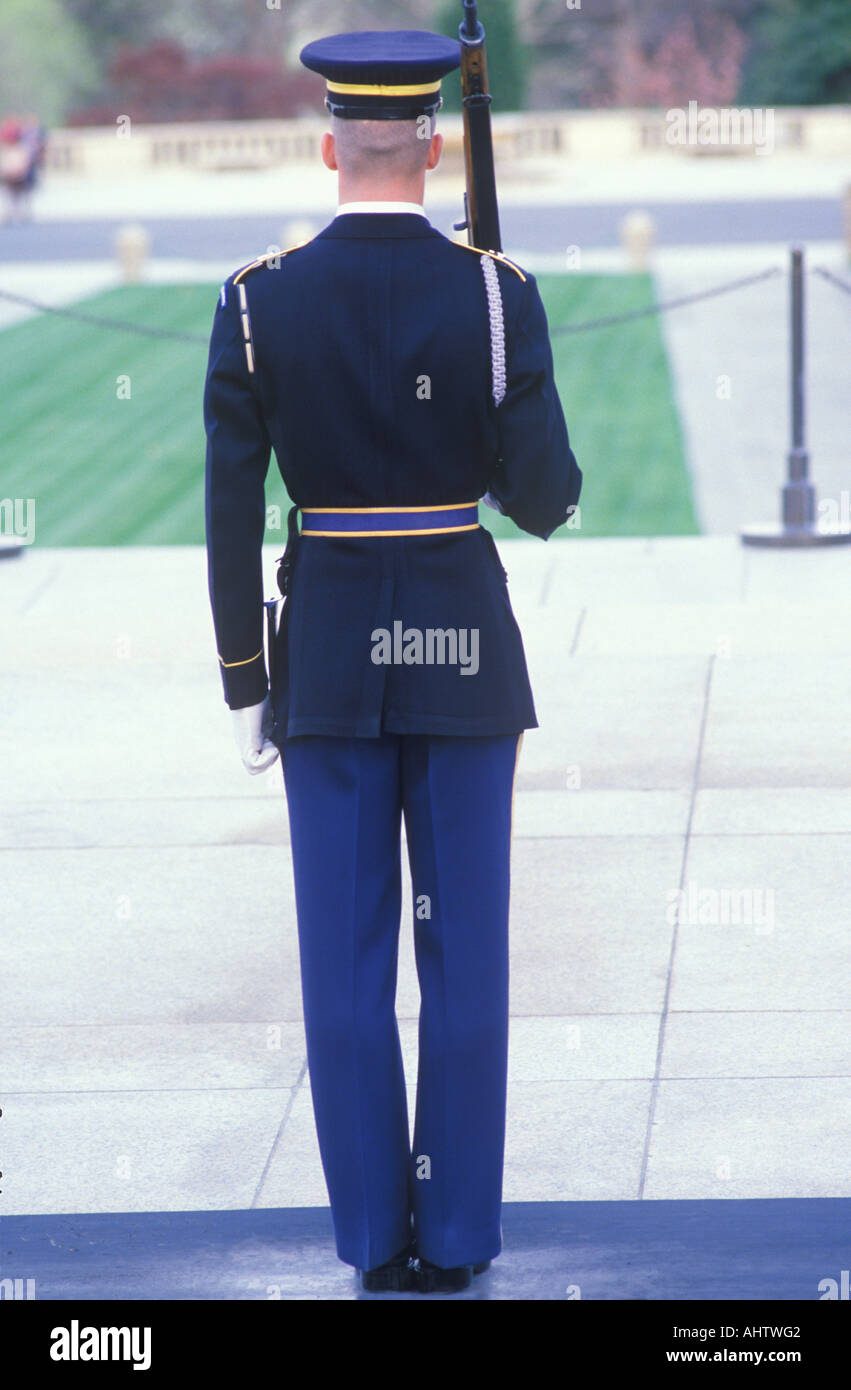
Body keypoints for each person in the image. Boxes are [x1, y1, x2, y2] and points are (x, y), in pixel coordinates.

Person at [203, 28, 581, 1295]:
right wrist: (511, 360)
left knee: (344, 964)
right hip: (463, 643)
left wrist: (245, 681)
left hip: (325, 652)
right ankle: (460, 1232)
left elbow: (226, 510)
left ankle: (374, 1236)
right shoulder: (492, 291)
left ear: (328, 147)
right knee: (464, 955)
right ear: (426, 144)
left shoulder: (255, 298)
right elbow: (543, 500)